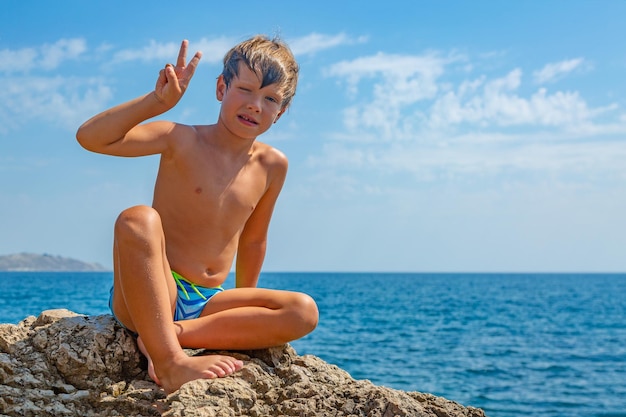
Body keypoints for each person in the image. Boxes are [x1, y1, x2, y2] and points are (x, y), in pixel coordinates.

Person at [76, 36, 319, 393]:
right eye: (245, 90)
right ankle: (171, 361)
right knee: (137, 219)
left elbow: (254, 240)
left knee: (303, 310)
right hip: (154, 291)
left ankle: (167, 338)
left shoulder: (273, 165)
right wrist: (156, 102)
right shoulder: (180, 139)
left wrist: (240, 319)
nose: (255, 105)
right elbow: (91, 138)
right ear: (222, 87)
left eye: (270, 99)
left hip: (208, 302)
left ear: (280, 113)